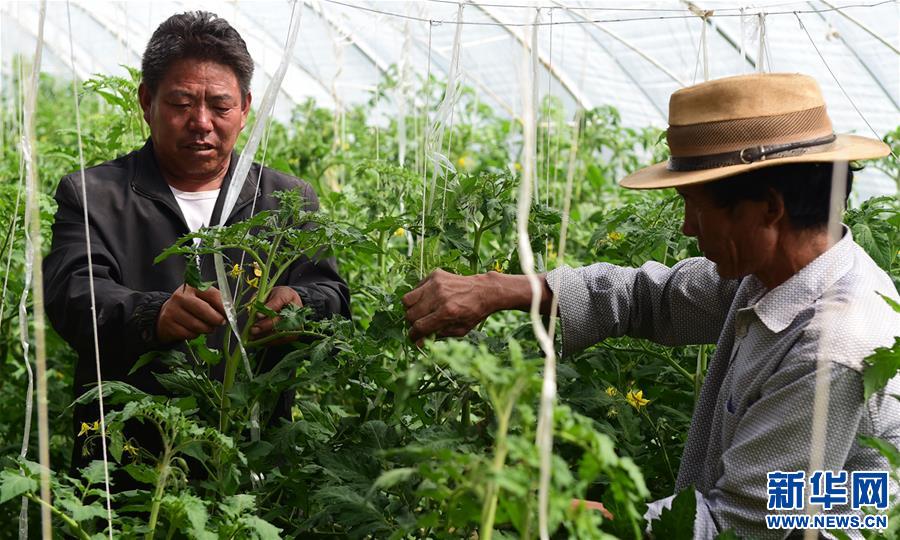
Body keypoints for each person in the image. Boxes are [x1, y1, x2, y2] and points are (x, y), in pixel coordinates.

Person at [402, 73, 900, 538]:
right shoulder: (776, 276)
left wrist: (599, 521)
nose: (686, 226)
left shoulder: (830, 349)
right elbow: (652, 298)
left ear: (769, 208)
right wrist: (499, 289)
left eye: (694, 206)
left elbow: (742, 525)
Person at [44, 11, 350, 471]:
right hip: (129, 460)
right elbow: (74, 294)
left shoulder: (286, 200)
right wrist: (153, 315)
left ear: (245, 108)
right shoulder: (93, 195)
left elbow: (334, 296)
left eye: (220, 106)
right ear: (147, 101)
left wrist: (301, 307)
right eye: (182, 103)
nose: (201, 122)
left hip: (255, 460)